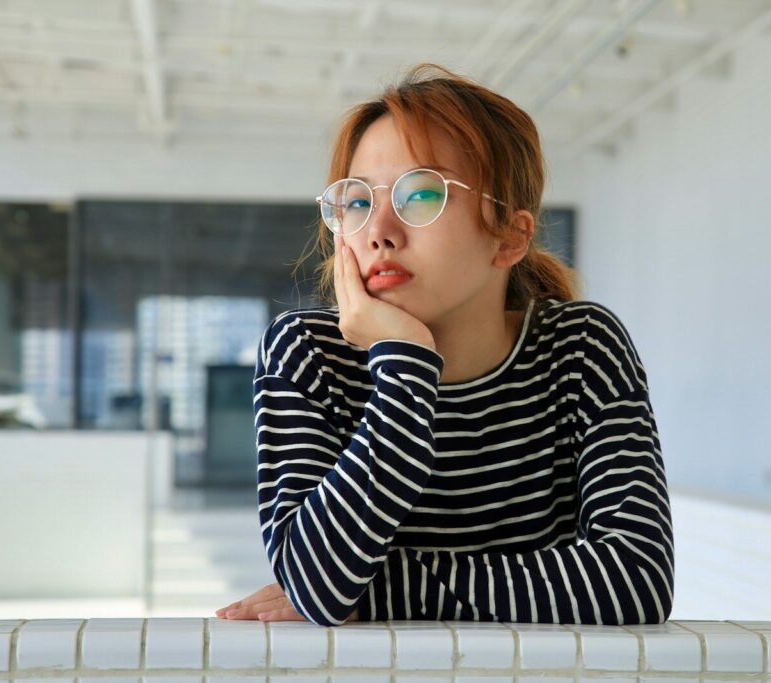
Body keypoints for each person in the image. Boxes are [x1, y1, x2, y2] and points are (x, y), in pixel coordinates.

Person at [215, 63, 674, 626]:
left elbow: (636, 581)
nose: (380, 228)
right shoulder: (307, 354)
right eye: (357, 201)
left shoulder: (580, 351)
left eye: (422, 194)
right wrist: (406, 367)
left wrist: (380, 592)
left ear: (509, 237)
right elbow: (315, 582)